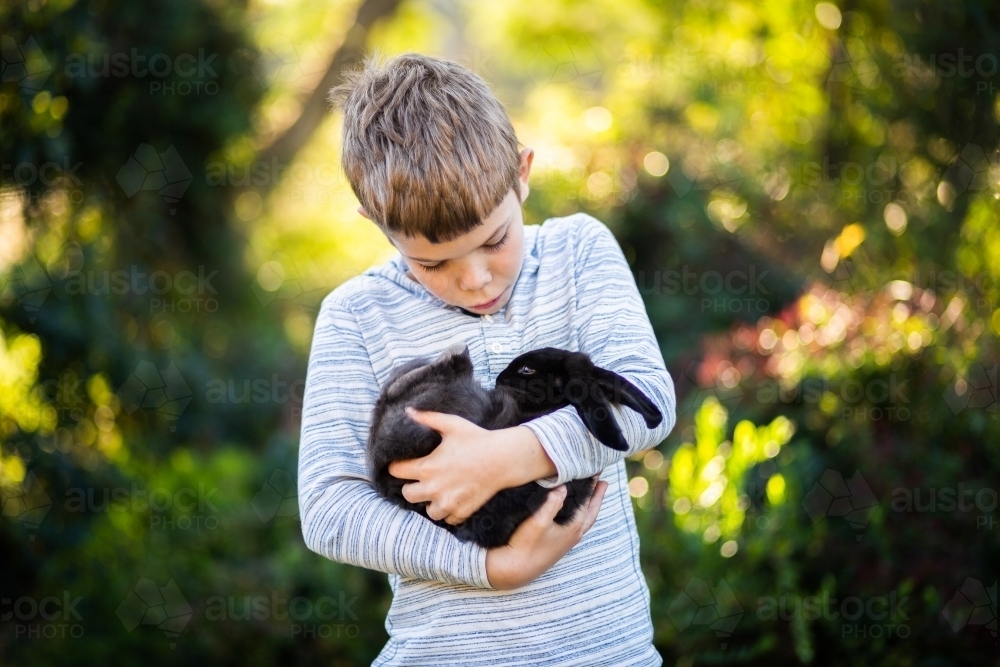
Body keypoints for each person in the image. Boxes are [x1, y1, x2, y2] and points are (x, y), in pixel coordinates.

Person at [298, 52, 676, 666]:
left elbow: (646, 403)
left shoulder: (577, 254)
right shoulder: (356, 316)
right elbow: (329, 509)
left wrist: (504, 459)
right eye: (432, 264)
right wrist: (489, 567)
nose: (475, 279)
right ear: (376, 223)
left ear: (522, 173)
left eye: (494, 240)